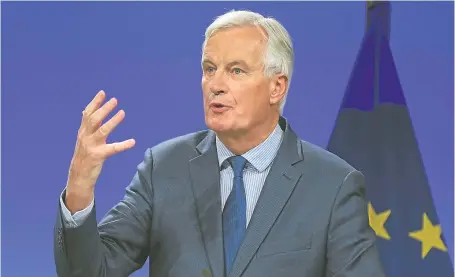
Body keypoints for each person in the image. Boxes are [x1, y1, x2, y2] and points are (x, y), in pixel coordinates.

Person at [54, 9, 386, 277]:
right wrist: (79, 190)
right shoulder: (163, 168)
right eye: (209, 69)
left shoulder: (333, 185)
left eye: (236, 71)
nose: (216, 84)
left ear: (277, 87)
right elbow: (88, 272)